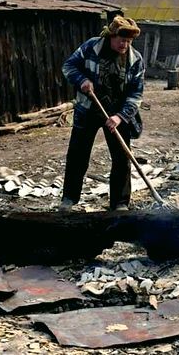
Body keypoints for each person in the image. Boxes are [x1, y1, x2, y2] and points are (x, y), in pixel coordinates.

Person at [59, 15, 144, 211]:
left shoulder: (135, 59)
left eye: (129, 41)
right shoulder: (91, 47)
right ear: (112, 36)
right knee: (78, 155)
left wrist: (120, 117)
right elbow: (68, 66)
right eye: (122, 40)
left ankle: (120, 203)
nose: (125, 44)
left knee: (122, 158)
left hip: (117, 113)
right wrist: (81, 80)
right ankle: (69, 199)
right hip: (88, 109)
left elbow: (136, 94)